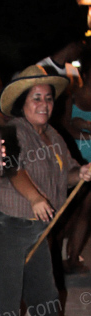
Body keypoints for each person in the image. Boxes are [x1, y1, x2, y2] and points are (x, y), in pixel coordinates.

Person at [0, 65, 91, 316]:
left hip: (39, 228)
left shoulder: (54, 137)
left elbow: (66, 176)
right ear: (22, 104)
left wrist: (82, 173)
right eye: (36, 98)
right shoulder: (10, 130)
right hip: (5, 225)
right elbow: (12, 169)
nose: (44, 104)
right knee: (5, 299)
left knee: (45, 292)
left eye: (48, 99)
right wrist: (35, 198)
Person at [62, 48, 91, 274]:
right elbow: (64, 127)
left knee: (86, 210)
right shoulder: (72, 95)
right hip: (74, 158)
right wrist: (86, 134)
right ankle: (54, 257)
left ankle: (72, 258)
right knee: (68, 209)